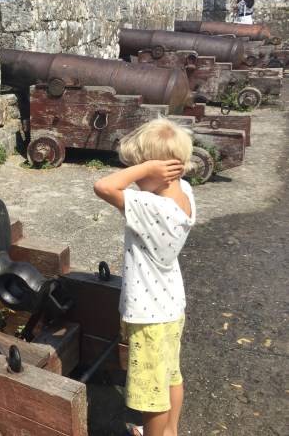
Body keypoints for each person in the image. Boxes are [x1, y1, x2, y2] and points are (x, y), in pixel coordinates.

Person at [93, 118, 196, 436]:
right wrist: (150, 169)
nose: (135, 179)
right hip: (171, 307)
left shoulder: (150, 206)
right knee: (171, 375)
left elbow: (104, 187)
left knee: (152, 394)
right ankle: (170, 431)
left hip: (149, 315)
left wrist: (146, 168)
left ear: (160, 171)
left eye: (140, 172)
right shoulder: (185, 194)